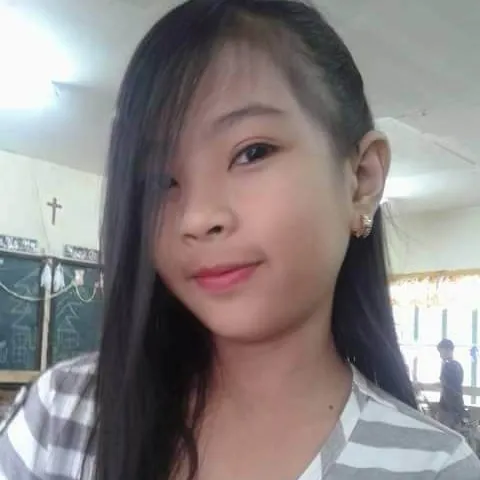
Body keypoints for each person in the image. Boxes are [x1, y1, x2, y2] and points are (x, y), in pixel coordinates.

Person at [1, 1, 479, 478]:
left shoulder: (433, 467)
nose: (196, 217)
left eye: (252, 152)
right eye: (160, 180)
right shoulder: (62, 418)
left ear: (361, 180)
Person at [437, 338, 466, 430]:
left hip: (450, 407)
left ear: (448, 350)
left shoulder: (449, 366)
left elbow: (447, 386)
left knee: (446, 431)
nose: (440, 355)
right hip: (456, 405)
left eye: (441, 352)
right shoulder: (457, 365)